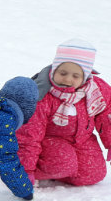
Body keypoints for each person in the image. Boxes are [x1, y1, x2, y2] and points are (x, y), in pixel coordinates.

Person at [17, 39, 111, 187]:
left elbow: (107, 115)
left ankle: (65, 171)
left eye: (75, 76)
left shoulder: (95, 90)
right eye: (62, 73)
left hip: (82, 139)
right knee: (63, 162)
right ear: (55, 69)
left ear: (86, 76)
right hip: (48, 140)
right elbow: (29, 135)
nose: (67, 79)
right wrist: (25, 170)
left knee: (94, 173)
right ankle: (25, 169)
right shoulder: (42, 95)